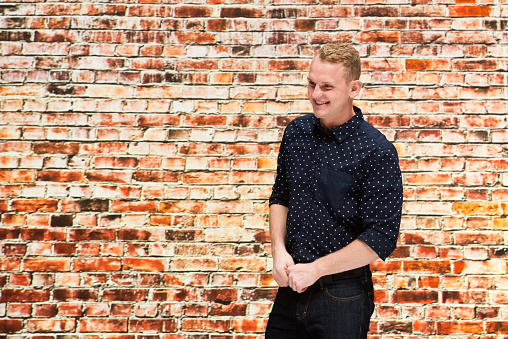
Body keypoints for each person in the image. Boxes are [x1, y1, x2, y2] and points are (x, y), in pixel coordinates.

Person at [265, 42, 403, 339]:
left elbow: (381, 237)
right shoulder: (296, 133)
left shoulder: (376, 151)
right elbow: (280, 196)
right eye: (312, 83)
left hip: (344, 295)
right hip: (290, 288)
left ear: (354, 88)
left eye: (327, 87)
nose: (316, 95)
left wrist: (316, 269)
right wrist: (278, 251)